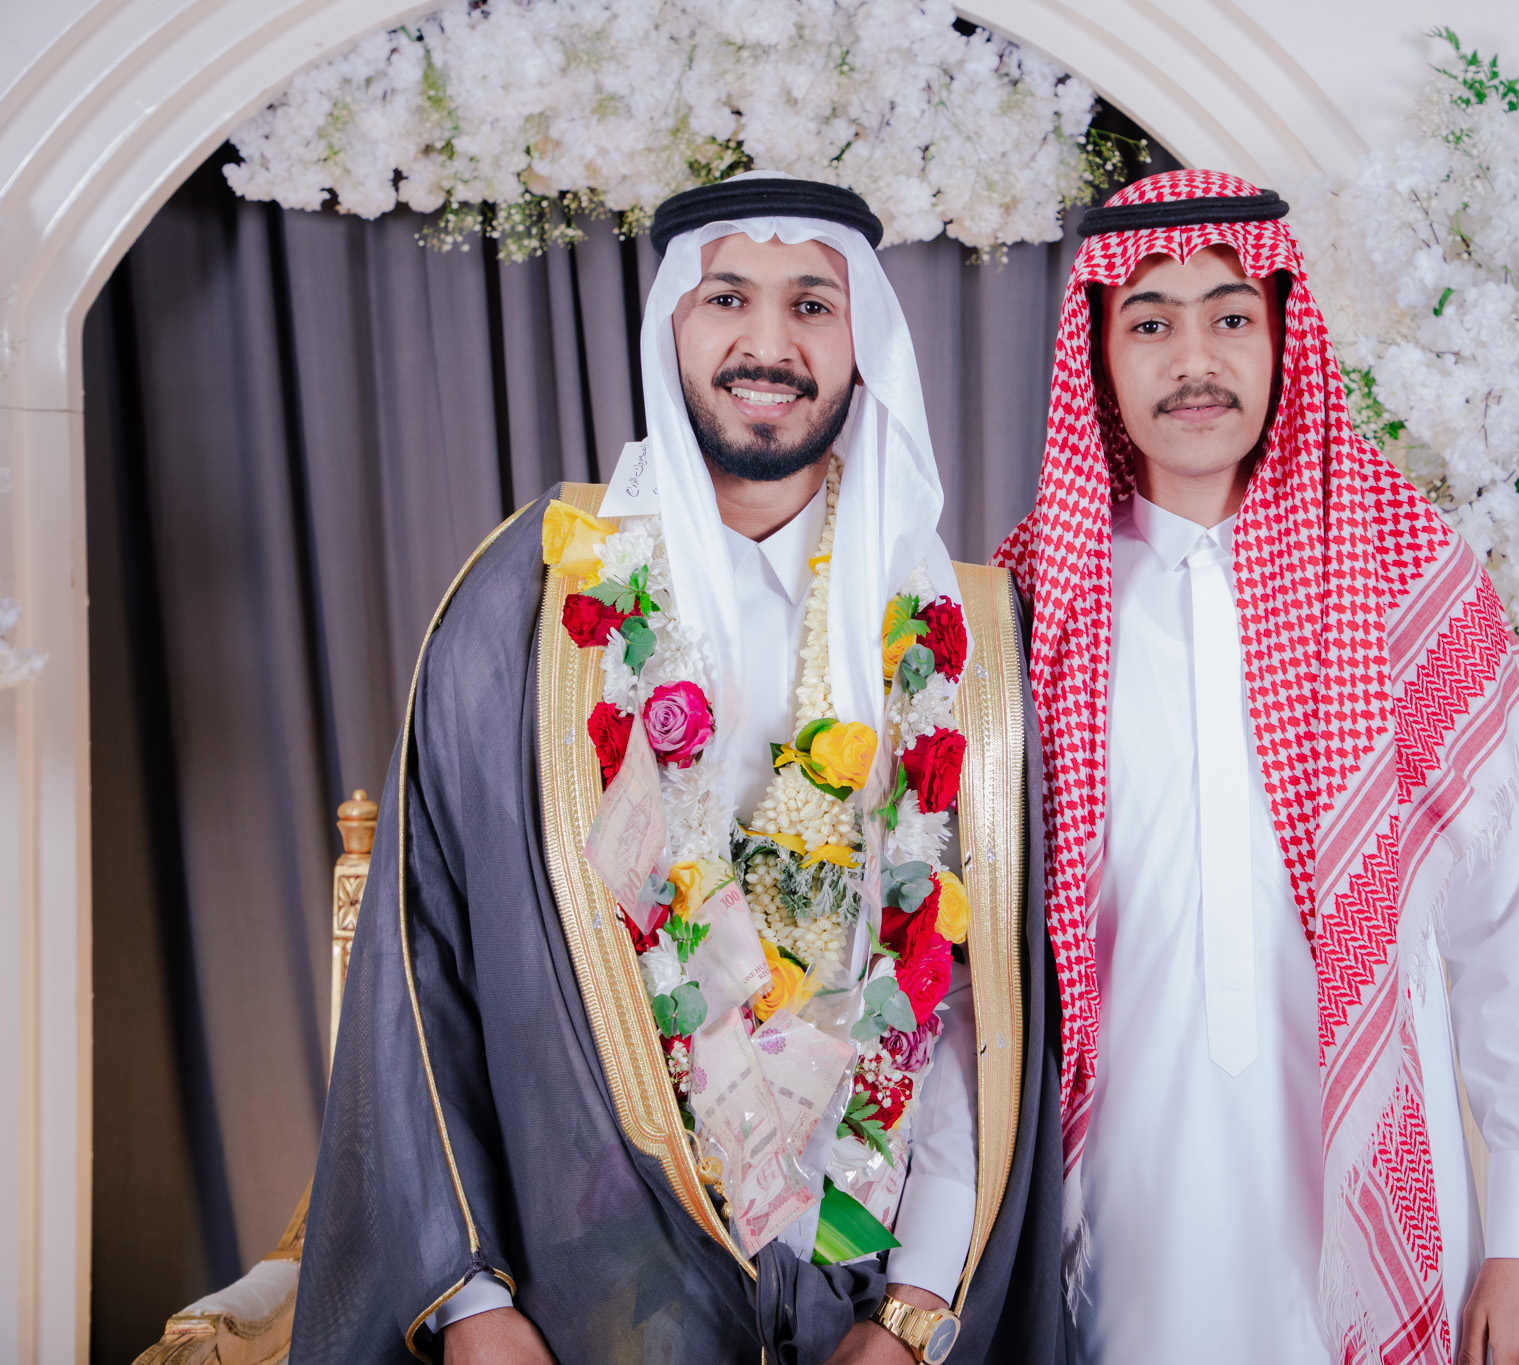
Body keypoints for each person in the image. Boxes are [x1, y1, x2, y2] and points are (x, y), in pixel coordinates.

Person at [293, 174, 1063, 1365]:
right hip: (584, 1302)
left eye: (812, 304)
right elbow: (424, 955)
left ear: (862, 340)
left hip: (859, 1301)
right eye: (728, 298)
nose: (769, 344)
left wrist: (915, 1309)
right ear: (672, 326)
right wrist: (471, 1302)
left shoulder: (947, 631)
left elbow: (967, 1004)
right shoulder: (532, 603)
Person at [993, 170, 1519, 1365]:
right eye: (1149, 323)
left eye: (1228, 316)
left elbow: (1506, 933)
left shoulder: (1405, 584)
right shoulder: (1031, 608)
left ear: (1280, 339)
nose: (1192, 358)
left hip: (1372, 1216)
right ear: (1099, 357)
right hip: (1121, 1221)